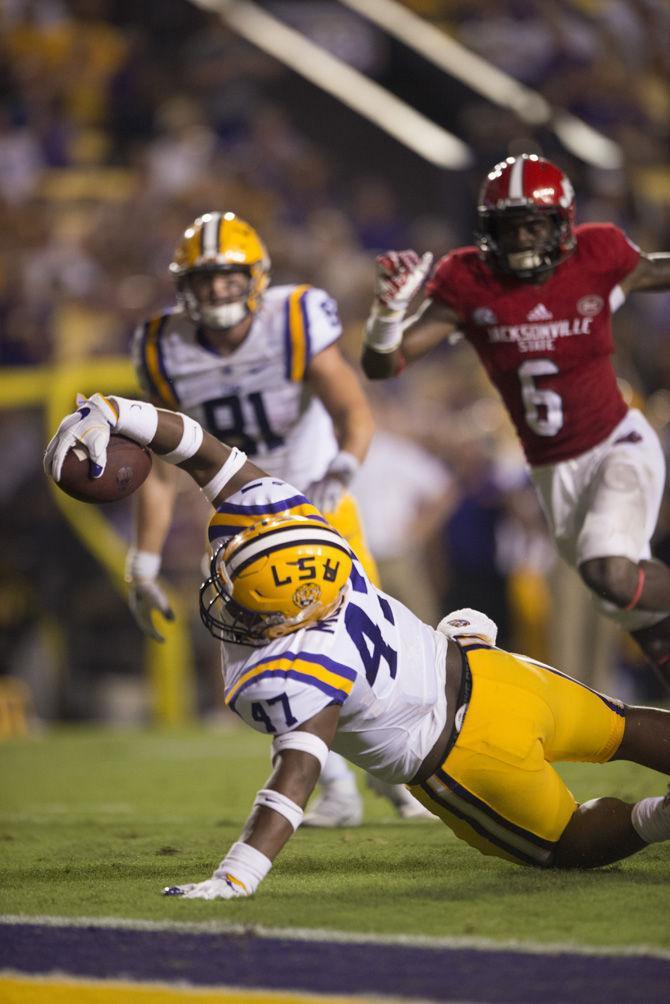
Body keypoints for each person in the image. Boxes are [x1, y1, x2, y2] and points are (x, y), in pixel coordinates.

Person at [44, 393, 670, 899]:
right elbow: (204, 451)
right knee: (622, 728)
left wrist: (238, 873)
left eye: (237, 593)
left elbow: (296, 777)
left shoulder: (289, 667)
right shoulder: (299, 527)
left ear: (281, 617)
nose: (221, 587)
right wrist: (117, 414)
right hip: (493, 669)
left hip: (466, 757)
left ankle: (661, 817)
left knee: (562, 843)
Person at [126, 210, 426, 825]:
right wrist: (144, 561)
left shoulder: (293, 317)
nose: (215, 290)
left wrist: (342, 469)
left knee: (357, 633)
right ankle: (340, 789)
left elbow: (352, 408)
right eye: (203, 278)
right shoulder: (161, 346)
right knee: (271, 650)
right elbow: (159, 466)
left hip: (315, 492)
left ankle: (397, 775)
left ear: (256, 278)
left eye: (228, 277)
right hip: (240, 513)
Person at [361, 154, 670, 686]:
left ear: (563, 226)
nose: (524, 239)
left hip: (617, 441)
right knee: (628, 605)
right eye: (510, 227)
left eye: (534, 225)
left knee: (609, 571)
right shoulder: (469, 280)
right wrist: (387, 316)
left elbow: (658, 270)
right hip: (552, 468)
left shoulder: (597, 254)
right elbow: (383, 364)